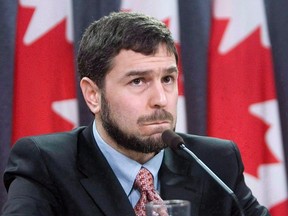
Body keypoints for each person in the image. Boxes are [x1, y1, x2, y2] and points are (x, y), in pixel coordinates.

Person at [2, 12, 269, 216]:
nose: (161, 100)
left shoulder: (215, 162)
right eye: (138, 81)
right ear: (93, 95)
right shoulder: (46, 165)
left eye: (167, 79)